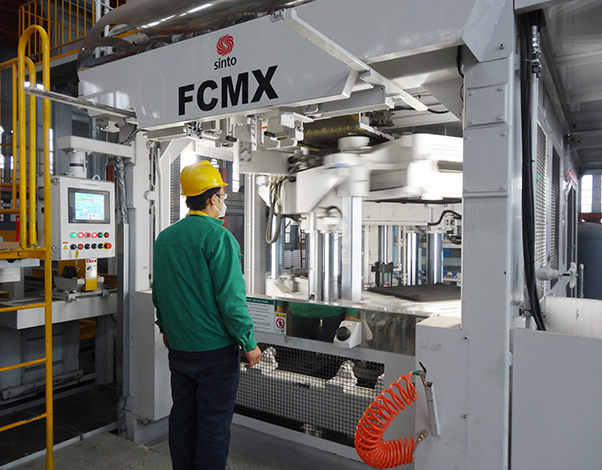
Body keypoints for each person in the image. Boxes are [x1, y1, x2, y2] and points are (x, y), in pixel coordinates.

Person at [152, 160, 261, 470]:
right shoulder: (219, 238)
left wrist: (165, 327)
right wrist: (249, 342)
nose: (223, 201)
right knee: (213, 425)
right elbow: (231, 300)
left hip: (179, 348)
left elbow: (160, 291)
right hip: (215, 353)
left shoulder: (165, 237)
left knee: (182, 419)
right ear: (213, 199)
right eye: (222, 196)